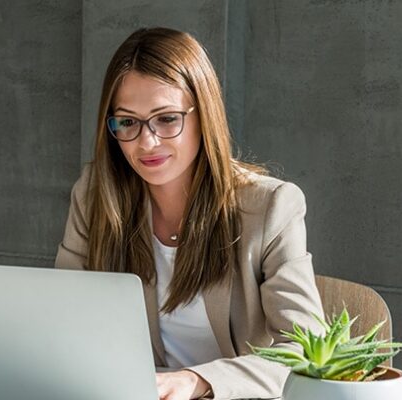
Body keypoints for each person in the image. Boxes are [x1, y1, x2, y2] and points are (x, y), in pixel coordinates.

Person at [55, 27, 324, 400]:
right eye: (128, 122)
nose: (147, 142)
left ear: (204, 114)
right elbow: (60, 322)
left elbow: (306, 351)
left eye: (166, 119)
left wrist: (195, 380)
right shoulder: (96, 196)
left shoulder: (270, 207)